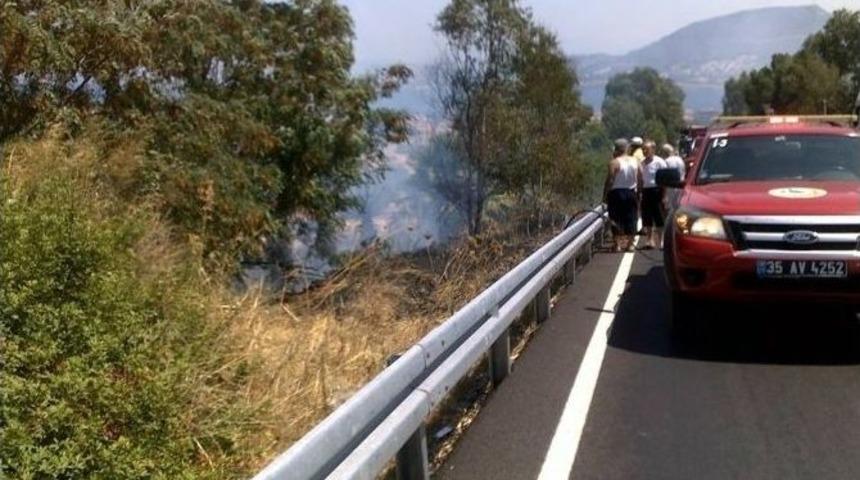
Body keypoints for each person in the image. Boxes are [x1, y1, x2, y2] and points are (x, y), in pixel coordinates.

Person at [604, 139, 640, 252]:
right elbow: (641, 177)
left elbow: (610, 180)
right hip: (631, 191)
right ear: (627, 148)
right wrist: (639, 191)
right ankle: (630, 244)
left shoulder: (614, 162)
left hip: (616, 193)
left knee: (615, 218)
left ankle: (617, 244)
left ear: (616, 149)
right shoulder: (635, 161)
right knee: (631, 217)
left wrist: (605, 194)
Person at [638, 141, 668, 249]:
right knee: (647, 217)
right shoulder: (642, 163)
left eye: (647, 149)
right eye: (643, 149)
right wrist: (640, 193)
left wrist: (664, 196)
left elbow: (664, 180)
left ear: (653, 150)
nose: (645, 151)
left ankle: (661, 240)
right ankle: (649, 240)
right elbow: (641, 180)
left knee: (659, 217)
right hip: (646, 192)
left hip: (657, 191)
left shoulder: (660, 162)